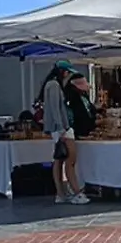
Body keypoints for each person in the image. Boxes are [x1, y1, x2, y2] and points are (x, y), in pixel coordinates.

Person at [38, 60, 89, 205]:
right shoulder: (54, 85)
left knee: (59, 160)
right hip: (61, 128)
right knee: (70, 160)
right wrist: (62, 128)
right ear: (64, 72)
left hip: (57, 128)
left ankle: (61, 193)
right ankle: (76, 192)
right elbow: (55, 108)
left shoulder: (50, 84)